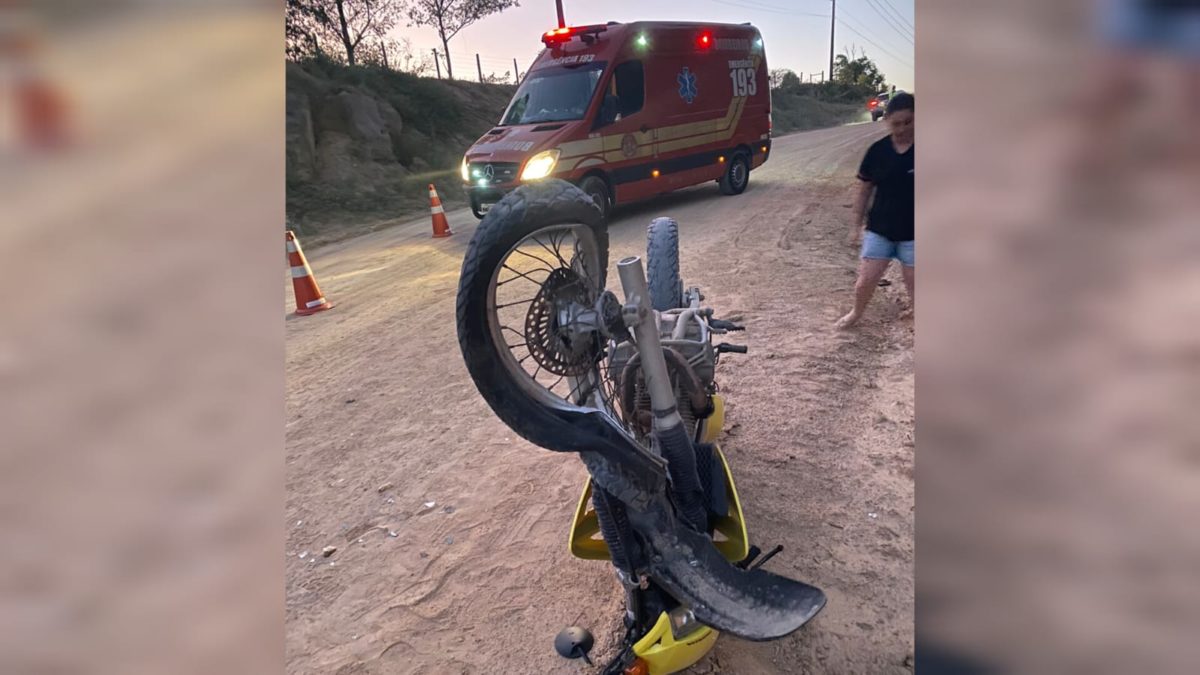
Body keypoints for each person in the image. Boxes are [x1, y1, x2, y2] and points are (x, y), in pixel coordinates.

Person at [836, 92, 914, 330]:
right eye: (896, 123)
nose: (901, 129)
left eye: (908, 122)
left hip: (915, 234)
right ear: (887, 121)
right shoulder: (877, 152)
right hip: (879, 229)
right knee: (864, 283)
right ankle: (855, 313)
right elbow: (863, 191)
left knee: (917, 287)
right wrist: (855, 227)